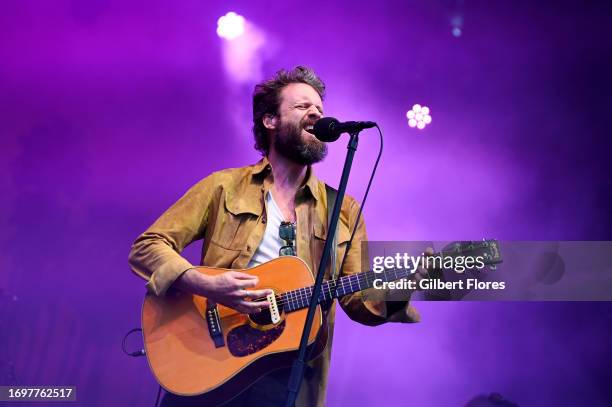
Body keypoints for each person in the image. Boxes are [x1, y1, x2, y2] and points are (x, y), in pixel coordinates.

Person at [128, 66, 421, 407]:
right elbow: (147, 247)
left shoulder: (343, 209)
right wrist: (202, 283)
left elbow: (359, 303)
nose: (316, 113)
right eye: (302, 107)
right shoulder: (224, 186)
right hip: (207, 362)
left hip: (285, 377)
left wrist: (405, 286)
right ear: (270, 121)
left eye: (320, 110)